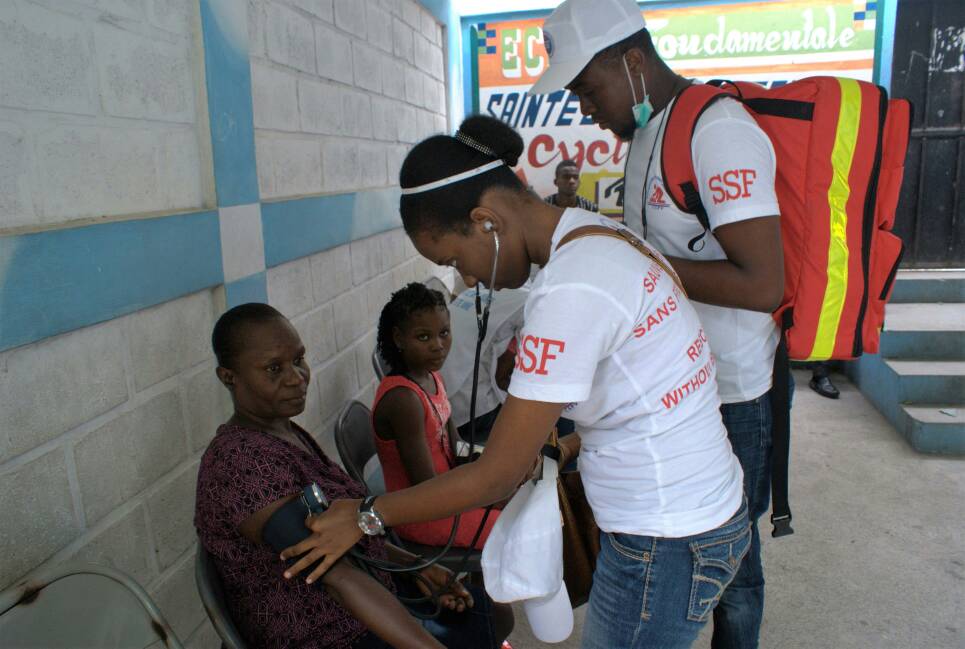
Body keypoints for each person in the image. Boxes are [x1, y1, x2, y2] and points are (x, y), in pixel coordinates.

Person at [279, 115, 751, 649]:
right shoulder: (598, 237)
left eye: (456, 259)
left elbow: (495, 477)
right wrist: (563, 445)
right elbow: (642, 399)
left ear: (486, 221)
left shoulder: (573, 286)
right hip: (694, 509)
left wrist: (366, 517)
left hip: (667, 533)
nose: (471, 279)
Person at [529, 1, 786, 647]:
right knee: (696, 568)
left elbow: (762, 283)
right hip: (678, 383)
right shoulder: (647, 132)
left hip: (731, 392)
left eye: (588, 89)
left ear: (633, 61)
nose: (586, 109)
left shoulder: (716, 131)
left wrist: (628, 257)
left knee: (733, 568)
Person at [195, 303, 513, 649]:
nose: (296, 377)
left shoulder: (285, 433)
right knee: (478, 625)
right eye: (274, 369)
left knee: (489, 614)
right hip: (326, 633)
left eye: (298, 360)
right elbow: (338, 577)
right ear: (229, 377)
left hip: (365, 602)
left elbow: (344, 535)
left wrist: (414, 565)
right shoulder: (241, 463)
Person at [373, 283, 500, 549]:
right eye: (423, 337)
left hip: (446, 496)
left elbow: (456, 447)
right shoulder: (403, 400)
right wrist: (479, 486)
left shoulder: (432, 377)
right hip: (422, 514)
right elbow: (426, 487)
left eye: (444, 333)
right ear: (398, 338)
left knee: (518, 495)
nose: (438, 346)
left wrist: (490, 461)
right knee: (516, 530)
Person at [439, 285, 529, 443]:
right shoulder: (531, 308)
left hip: (438, 399)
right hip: (470, 413)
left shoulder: (479, 287)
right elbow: (503, 379)